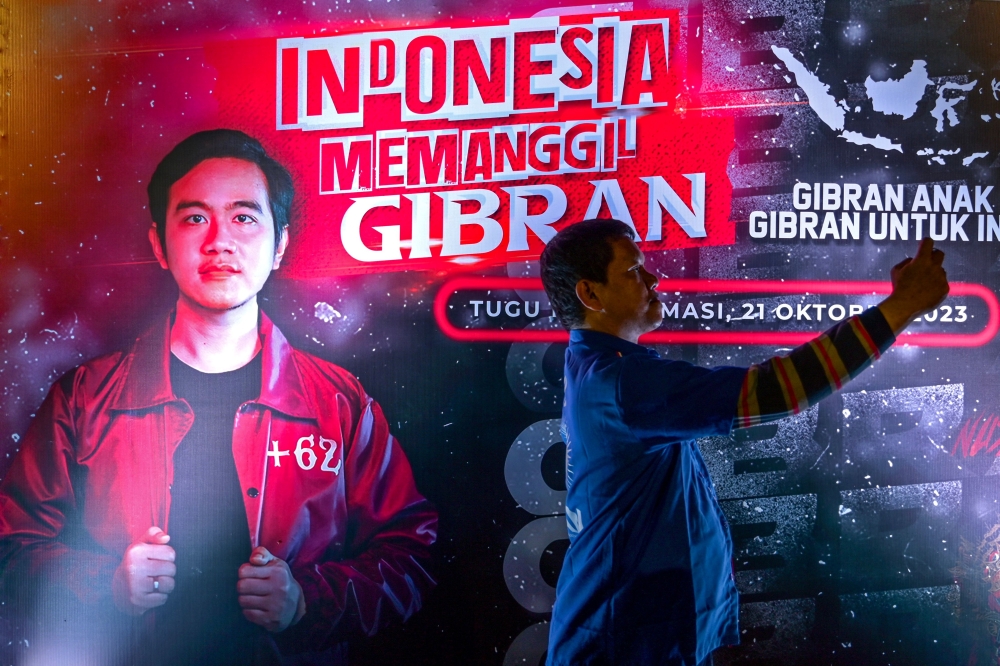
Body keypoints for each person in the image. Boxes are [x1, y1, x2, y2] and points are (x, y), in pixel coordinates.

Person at [0, 130, 437, 665]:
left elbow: (411, 553)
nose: (219, 241)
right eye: (195, 218)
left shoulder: (340, 404)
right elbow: (13, 546)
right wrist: (106, 586)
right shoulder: (84, 399)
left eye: (245, 217)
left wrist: (307, 602)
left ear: (279, 246)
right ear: (159, 244)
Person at [538, 218, 949, 666]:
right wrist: (900, 307)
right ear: (591, 294)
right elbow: (780, 389)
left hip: (637, 633)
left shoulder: (599, 367)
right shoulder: (624, 382)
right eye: (634, 270)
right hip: (625, 643)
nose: (653, 278)